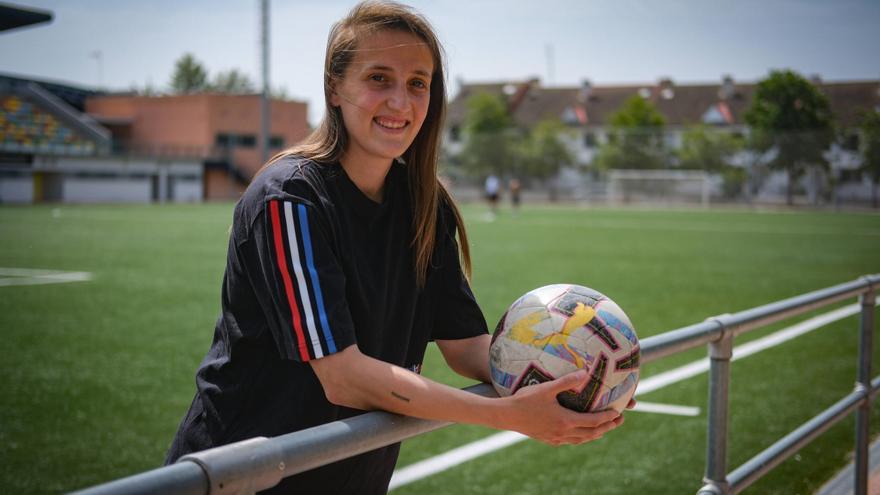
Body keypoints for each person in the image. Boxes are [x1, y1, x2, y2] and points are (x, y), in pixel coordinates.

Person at [165, 2, 629, 493]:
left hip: (351, 476)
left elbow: (467, 348)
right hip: (244, 476)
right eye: (379, 78)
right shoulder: (290, 199)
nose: (401, 103)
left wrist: (584, 383)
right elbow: (343, 377)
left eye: (417, 84)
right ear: (334, 88)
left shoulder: (425, 204)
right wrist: (504, 414)